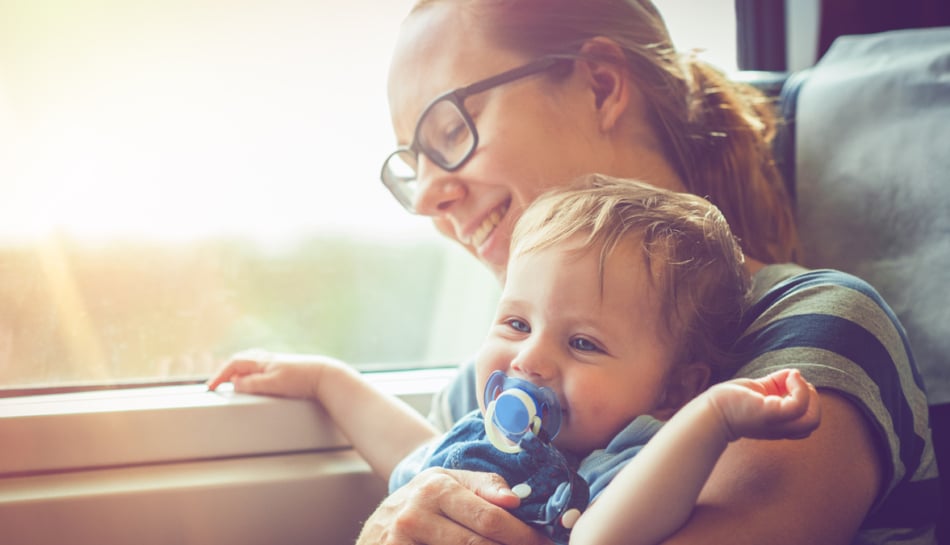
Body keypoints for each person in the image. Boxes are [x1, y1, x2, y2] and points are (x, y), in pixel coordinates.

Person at [363, 1, 939, 544]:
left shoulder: (814, 329)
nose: (425, 198)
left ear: (601, 85)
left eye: (452, 131)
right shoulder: (488, 383)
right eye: (414, 163)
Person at [208, 177, 822, 545]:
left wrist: (712, 418)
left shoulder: (631, 460)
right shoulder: (485, 439)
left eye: (583, 343)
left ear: (673, 389)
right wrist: (328, 380)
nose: (531, 359)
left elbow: (601, 536)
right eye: (516, 323)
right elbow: (412, 456)